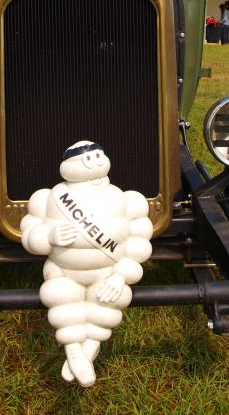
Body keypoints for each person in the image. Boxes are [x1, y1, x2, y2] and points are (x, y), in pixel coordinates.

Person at [20, 141, 153, 387]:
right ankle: (74, 347)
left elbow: (136, 240)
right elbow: (31, 233)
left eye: (98, 156)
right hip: (63, 270)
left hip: (107, 269)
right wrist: (49, 237)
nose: (95, 161)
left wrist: (120, 275)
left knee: (108, 300)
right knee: (61, 295)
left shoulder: (121, 198)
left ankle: (89, 346)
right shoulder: (50, 198)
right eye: (88, 158)